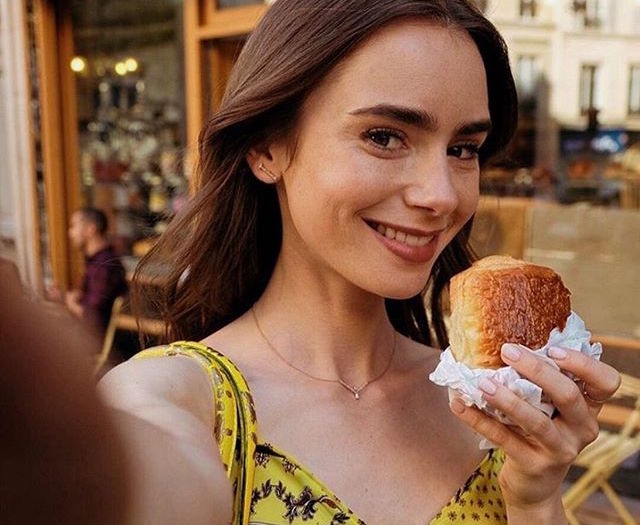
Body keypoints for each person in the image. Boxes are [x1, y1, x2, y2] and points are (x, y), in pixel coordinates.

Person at [0, 1, 621, 524]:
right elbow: (142, 475)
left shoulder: (491, 405)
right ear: (267, 147)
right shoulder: (183, 400)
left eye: (464, 148)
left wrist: (535, 498)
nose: (442, 193)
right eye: (385, 136)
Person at [47, 207, 128, 333]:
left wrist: (67, 300)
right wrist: (72, 297)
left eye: (74, 226)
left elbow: (92, 317)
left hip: (93, 342)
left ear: (91, 229)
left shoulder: (104, 265)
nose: (70, 233)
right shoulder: (99, 260)